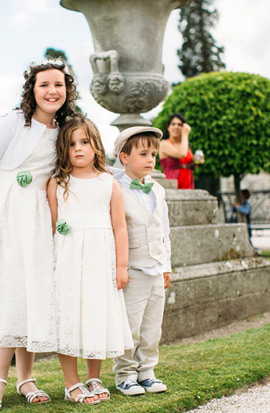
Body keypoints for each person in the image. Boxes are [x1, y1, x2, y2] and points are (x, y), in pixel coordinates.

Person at [0, 59, 79, 413]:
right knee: (10, 292)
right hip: (5, 216)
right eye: (44, 85)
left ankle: (26, 378)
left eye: (59, 84)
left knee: (33, 293)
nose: (52, 91)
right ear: (32, 90)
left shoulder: (65, 129)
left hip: (39, 219)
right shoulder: (13, 122)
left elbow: (86, 162)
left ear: (67, 90)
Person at [46, 117, 133, 405]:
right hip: (70, 260)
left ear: (96, 145)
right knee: (69, 316)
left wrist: (121, 266)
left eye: (84, 142)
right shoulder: (58, 183)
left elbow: (120, 226)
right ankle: (72, 383)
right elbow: (54, 226)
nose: (78, 149)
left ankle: (94, 376)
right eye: (71, 144)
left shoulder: (109, 182)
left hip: (100, 260)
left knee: (96, 314)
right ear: (63, 149)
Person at [111, 126, 172, 396]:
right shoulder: (115, 189)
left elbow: (164, 231)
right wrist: (119, 267)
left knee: (152, 326)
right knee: (130, 325)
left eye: (154, 154)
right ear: (124, 157)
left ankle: (147, 370)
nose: (150, 159)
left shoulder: (158, 189)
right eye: (143, 153)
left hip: (156, 268)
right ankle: (125, 374)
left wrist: (166, 266)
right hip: (132, 267)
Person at [159, 113, 197, 189]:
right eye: (173, 124)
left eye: (179, 125)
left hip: (188, 181)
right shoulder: (164, 144)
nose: (176, 127)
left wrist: (196, 161)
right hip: (172, 181)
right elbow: (181, 154)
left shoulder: (185, 145)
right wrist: (185, 135)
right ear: (168, 127)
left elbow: (189, 165)